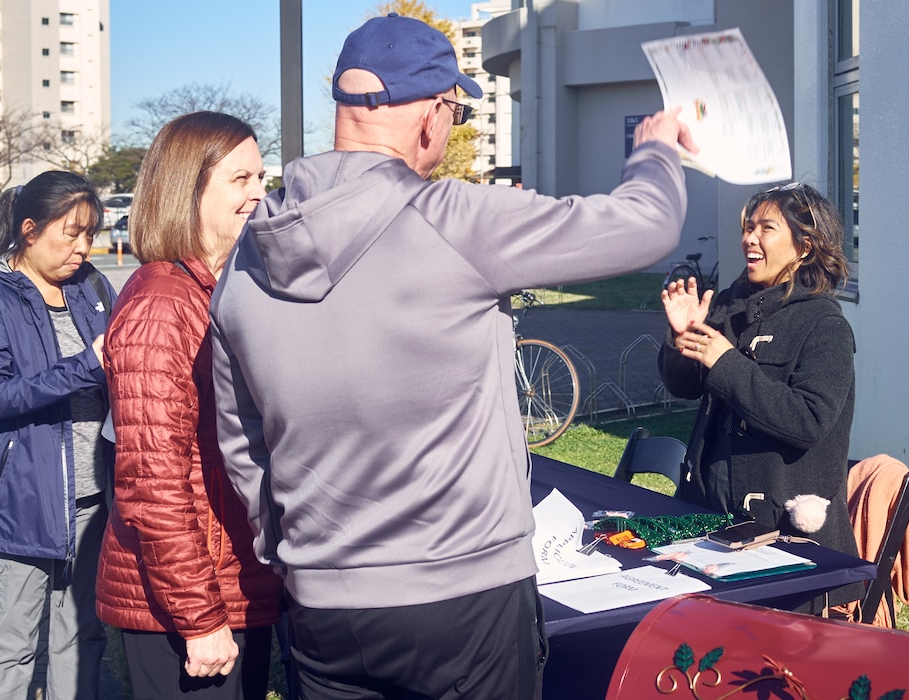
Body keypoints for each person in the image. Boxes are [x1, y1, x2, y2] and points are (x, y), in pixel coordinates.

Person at [210, 13, 696, 699]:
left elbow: (243, 441)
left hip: (323, 607)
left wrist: (294, 559)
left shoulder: (248, 257)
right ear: (431, 116)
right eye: (457, 112)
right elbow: (647, 224)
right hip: (464, 599)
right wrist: (654, 150)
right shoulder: (454, 218)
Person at [94, 111, 283, 699]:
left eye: (260, 177)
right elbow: (152, 479)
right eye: (240, 179)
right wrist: (199, 618)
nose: (260, 193)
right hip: (188, 604)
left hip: (230, 581)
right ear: (188, 188)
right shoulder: (162, 302)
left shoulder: (215, 287)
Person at [658, 182, 863, 608]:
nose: (749, 238)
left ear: (804, 246)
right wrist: (683, 340)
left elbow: (808, 420)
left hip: (786, 545)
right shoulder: (732, 303)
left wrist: (726, 362)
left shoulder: (824, 325)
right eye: (748, 227)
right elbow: (684, 386)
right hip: (710, 527)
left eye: (766, 228)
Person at [0, 171, 113, 699]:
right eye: (71, 233)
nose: (83, 248)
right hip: (19, 506)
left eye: (90, 233)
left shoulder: (90, 285)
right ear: (28, 229)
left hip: (93, 503)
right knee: (11, 651)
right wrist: (87, 364)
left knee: (83, 637)